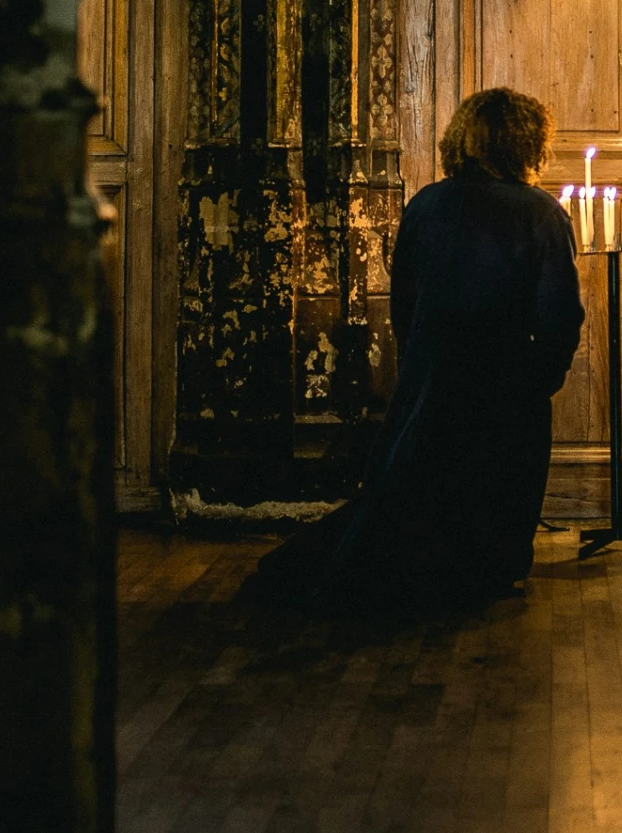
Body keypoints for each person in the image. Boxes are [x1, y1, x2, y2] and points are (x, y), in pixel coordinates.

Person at [248, 88, 584, 614]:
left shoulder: (426, 204)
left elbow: (401, 300)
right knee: (499, 487)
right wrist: (541, 378)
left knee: (414, 491)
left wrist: (421, 364)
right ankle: (486, 573)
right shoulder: (540, 213)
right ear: (527, 143)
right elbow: (560, 313)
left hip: (432, 379)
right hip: (506, 383)